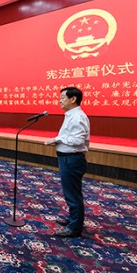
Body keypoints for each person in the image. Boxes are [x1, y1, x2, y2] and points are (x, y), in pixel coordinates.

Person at [44, 86, 90, 238]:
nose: (60, 101)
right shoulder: (71, 115)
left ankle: (74, 228)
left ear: (73, 99)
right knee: (70, 192)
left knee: (73, 194)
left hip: (72, 159)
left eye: (63, 98)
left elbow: (78, 140)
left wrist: (57, 139)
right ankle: (73, 219)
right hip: (67, 158)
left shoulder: (78, 117)